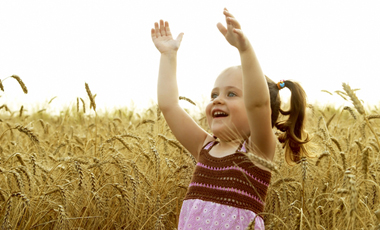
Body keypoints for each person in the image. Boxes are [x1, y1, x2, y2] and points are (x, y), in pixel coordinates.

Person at [151, 8, 310, 230]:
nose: (217, 100)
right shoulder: (204, 147)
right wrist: (168, 56)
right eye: (214, 94)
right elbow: (169, 106)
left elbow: (258, 105)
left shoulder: (257, 152)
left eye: (231, 94)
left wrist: (244, 50)